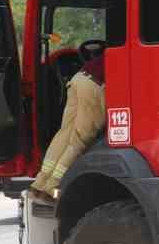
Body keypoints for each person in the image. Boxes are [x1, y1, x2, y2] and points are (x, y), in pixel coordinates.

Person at [28, 47, 106, 201]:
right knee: (80, 139)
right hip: (95, 86)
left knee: (64, 134)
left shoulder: (109, 52)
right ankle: (53, 188)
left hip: (78, 78)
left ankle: (40, 183)